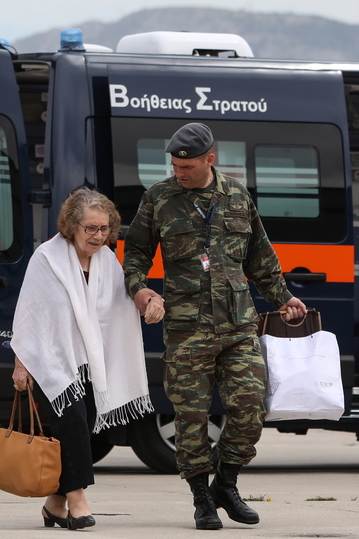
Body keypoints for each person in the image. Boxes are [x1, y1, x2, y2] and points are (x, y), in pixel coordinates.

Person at [123, 122, 307, 530]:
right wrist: (139, 289)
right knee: (190, 419)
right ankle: (201, 498)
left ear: (211, 159)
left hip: (238, 325)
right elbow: (135, 252)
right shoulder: (158, 198)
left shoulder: (237, 195)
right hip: (187, 330)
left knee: (250, 408)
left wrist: (283, 297)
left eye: (187, 166)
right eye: (174, 165)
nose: (179, 172)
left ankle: (226, 482)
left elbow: (260, 256)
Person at [11, 187, 152, 531]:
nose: (98, 236)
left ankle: (54, 505)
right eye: (90, 228)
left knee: (80, 428)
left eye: (104, 228)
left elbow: (120, 306)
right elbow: (30, 312)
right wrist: (21, 363)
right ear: (72, 225)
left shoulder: (108, 262)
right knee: (71, 423)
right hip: (52, 361)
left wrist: (147, 301)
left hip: (92, 363)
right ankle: (77, 501)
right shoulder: (47, 258)